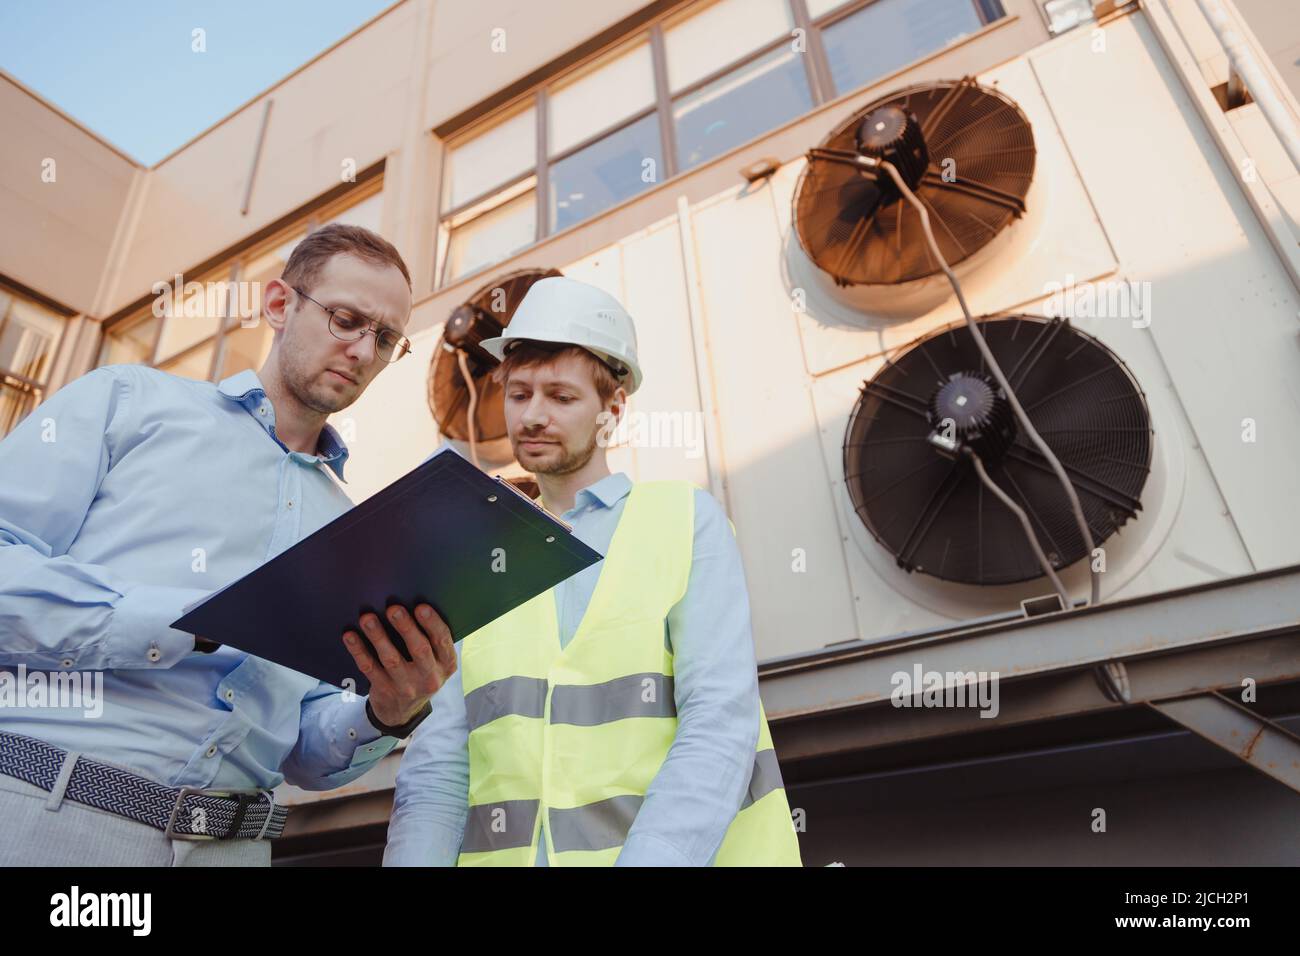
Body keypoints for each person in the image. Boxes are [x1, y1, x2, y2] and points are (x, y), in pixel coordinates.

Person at [0, 224, 456, 866]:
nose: (361, 349)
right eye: (346, 319)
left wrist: (386, 712)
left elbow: (303, 752)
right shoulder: (128, 402)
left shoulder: (355, 530)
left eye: (384, 338)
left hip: (236, 849)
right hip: (55, 819)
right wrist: (194, 619)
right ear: (278, 306)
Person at [384, 276, 802, 866]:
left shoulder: (684, 521)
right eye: (520, 392)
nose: (532, 415)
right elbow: (440, 764)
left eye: (561, 396)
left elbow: (718, 724)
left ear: (613, 408)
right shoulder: (473, 554)